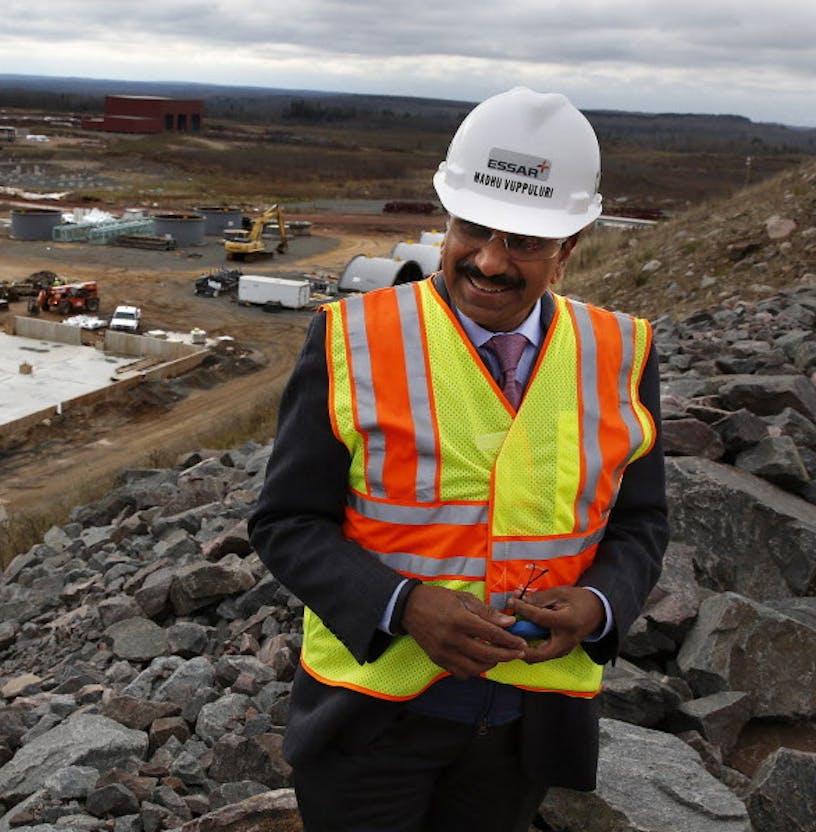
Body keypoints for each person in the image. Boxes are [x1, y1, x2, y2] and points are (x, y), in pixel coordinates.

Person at [249, 87, 668, 832]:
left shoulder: (621, 354)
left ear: (568, 248)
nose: (490, 262)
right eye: (473, 231)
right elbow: (286, 522)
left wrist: (600, 606)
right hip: (370, 722)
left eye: (525, 243)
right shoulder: (352, 339)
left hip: (524, 728)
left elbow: (639, 525)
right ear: (446, 219)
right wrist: (402, 605)